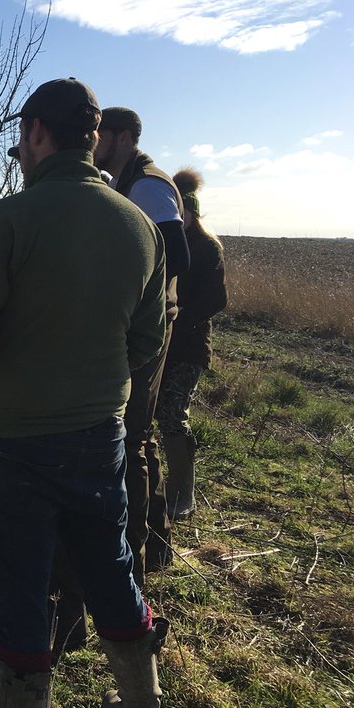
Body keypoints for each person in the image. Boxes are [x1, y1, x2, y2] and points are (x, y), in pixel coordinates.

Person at [0, 78, 169, 708]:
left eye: (22, 135)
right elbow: (146, 342)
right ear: (92, 137)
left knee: (18, 595)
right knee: (111, 569)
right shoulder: (138, 225)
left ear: (37, 132)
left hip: (12, 448)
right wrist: (92, 387)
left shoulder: (8, 220)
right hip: (102, 438)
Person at [93, 107, 190, 580]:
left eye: (100, 135)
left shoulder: (147, 184)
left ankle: (133, 553)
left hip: (145, 327)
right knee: (138, 434)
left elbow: (177, 255)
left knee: (130, 436)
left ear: (123, 137)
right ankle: (155, 543)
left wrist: (139, 300)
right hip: (139, 322)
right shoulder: (125, 181)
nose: (92, 142)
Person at [157, 168, 227, 519]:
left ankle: (183, 494)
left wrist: (179, 315)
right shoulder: (168, 242)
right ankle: (159, 488)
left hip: (189, 347)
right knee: (156, 413)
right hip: (162, 344)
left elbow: (215, 300)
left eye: (181, 211)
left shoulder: (206, 247)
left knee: (172, 415)